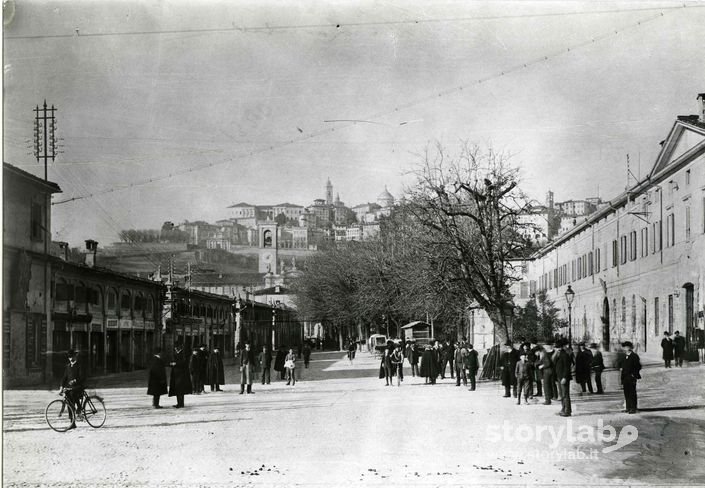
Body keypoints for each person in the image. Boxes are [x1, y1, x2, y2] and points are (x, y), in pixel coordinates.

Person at [61, 349, 85, 429]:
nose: (70, 359)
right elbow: (64, 378)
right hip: (71, 388)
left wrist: (75, 381)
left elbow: (82, 377)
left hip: (79, 387)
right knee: (68, 398)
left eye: (72, 357)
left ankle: (79, 408)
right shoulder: (68, 366)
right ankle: (72, 422)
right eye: (69, 357)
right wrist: (61, 387)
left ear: (75, 356)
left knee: (72, 393)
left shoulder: (79, 365)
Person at [169, 342, 192, 409]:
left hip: (182, 374)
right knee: (177, 389)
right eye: (175, 347)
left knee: (180, 389)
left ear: (180, 347)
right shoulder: (175, 353)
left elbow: (185, 363)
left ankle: (181, 403)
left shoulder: (184, 353)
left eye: (177, 347)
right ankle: (179, 403)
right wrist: (171, 363)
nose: (175, 348)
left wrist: (175, 364)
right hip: (176, 373)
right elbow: (172, 361)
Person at [621, 341, 641, 414]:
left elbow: (638, 366)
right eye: (625, 347)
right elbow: (623, 368)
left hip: (631, 377)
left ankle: (633, 408)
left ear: (630, 347)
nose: (626, 348)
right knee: (626, 392)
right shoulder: (624, 356)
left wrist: (634, 375)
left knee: (632, 392)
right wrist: (622, 379)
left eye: (628, 347)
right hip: (625, 377)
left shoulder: (634, 356)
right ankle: (628, 407)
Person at [554, 339, 573, 417]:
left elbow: (567, 368)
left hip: (563, 377)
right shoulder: (559, 355)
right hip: (559, 377)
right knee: (562, 394)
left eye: (558, 347)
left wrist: (564, 377)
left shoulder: (564, 355)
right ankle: (563, 409)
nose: (556, 349)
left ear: (561, 347)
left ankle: (567, 411)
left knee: (565, 394)